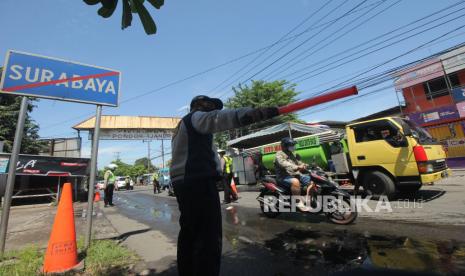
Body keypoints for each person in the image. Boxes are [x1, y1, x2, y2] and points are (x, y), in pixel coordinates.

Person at [170, 95, 279, 276]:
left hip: (185, 182)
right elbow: (218, 118)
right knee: (208, 239)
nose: (214, 110)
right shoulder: (195, 118)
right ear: (197, 106)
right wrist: (253, 114)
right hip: (197, 182)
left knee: (190, 235)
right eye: (210, 106)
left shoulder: (183, 128)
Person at [274, 137, 311, 212]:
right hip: (283, 177)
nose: (293, 147)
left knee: (311, 179)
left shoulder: (292, 154)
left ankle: (309, 199)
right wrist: (296, 167)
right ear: (285, 146)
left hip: (294, 174)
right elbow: (284, 163)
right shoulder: (279, 154)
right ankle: (298, 202)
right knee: (295, 182)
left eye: (293, 145)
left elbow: (299, 163)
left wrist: (305, 165)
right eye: (291, 145)